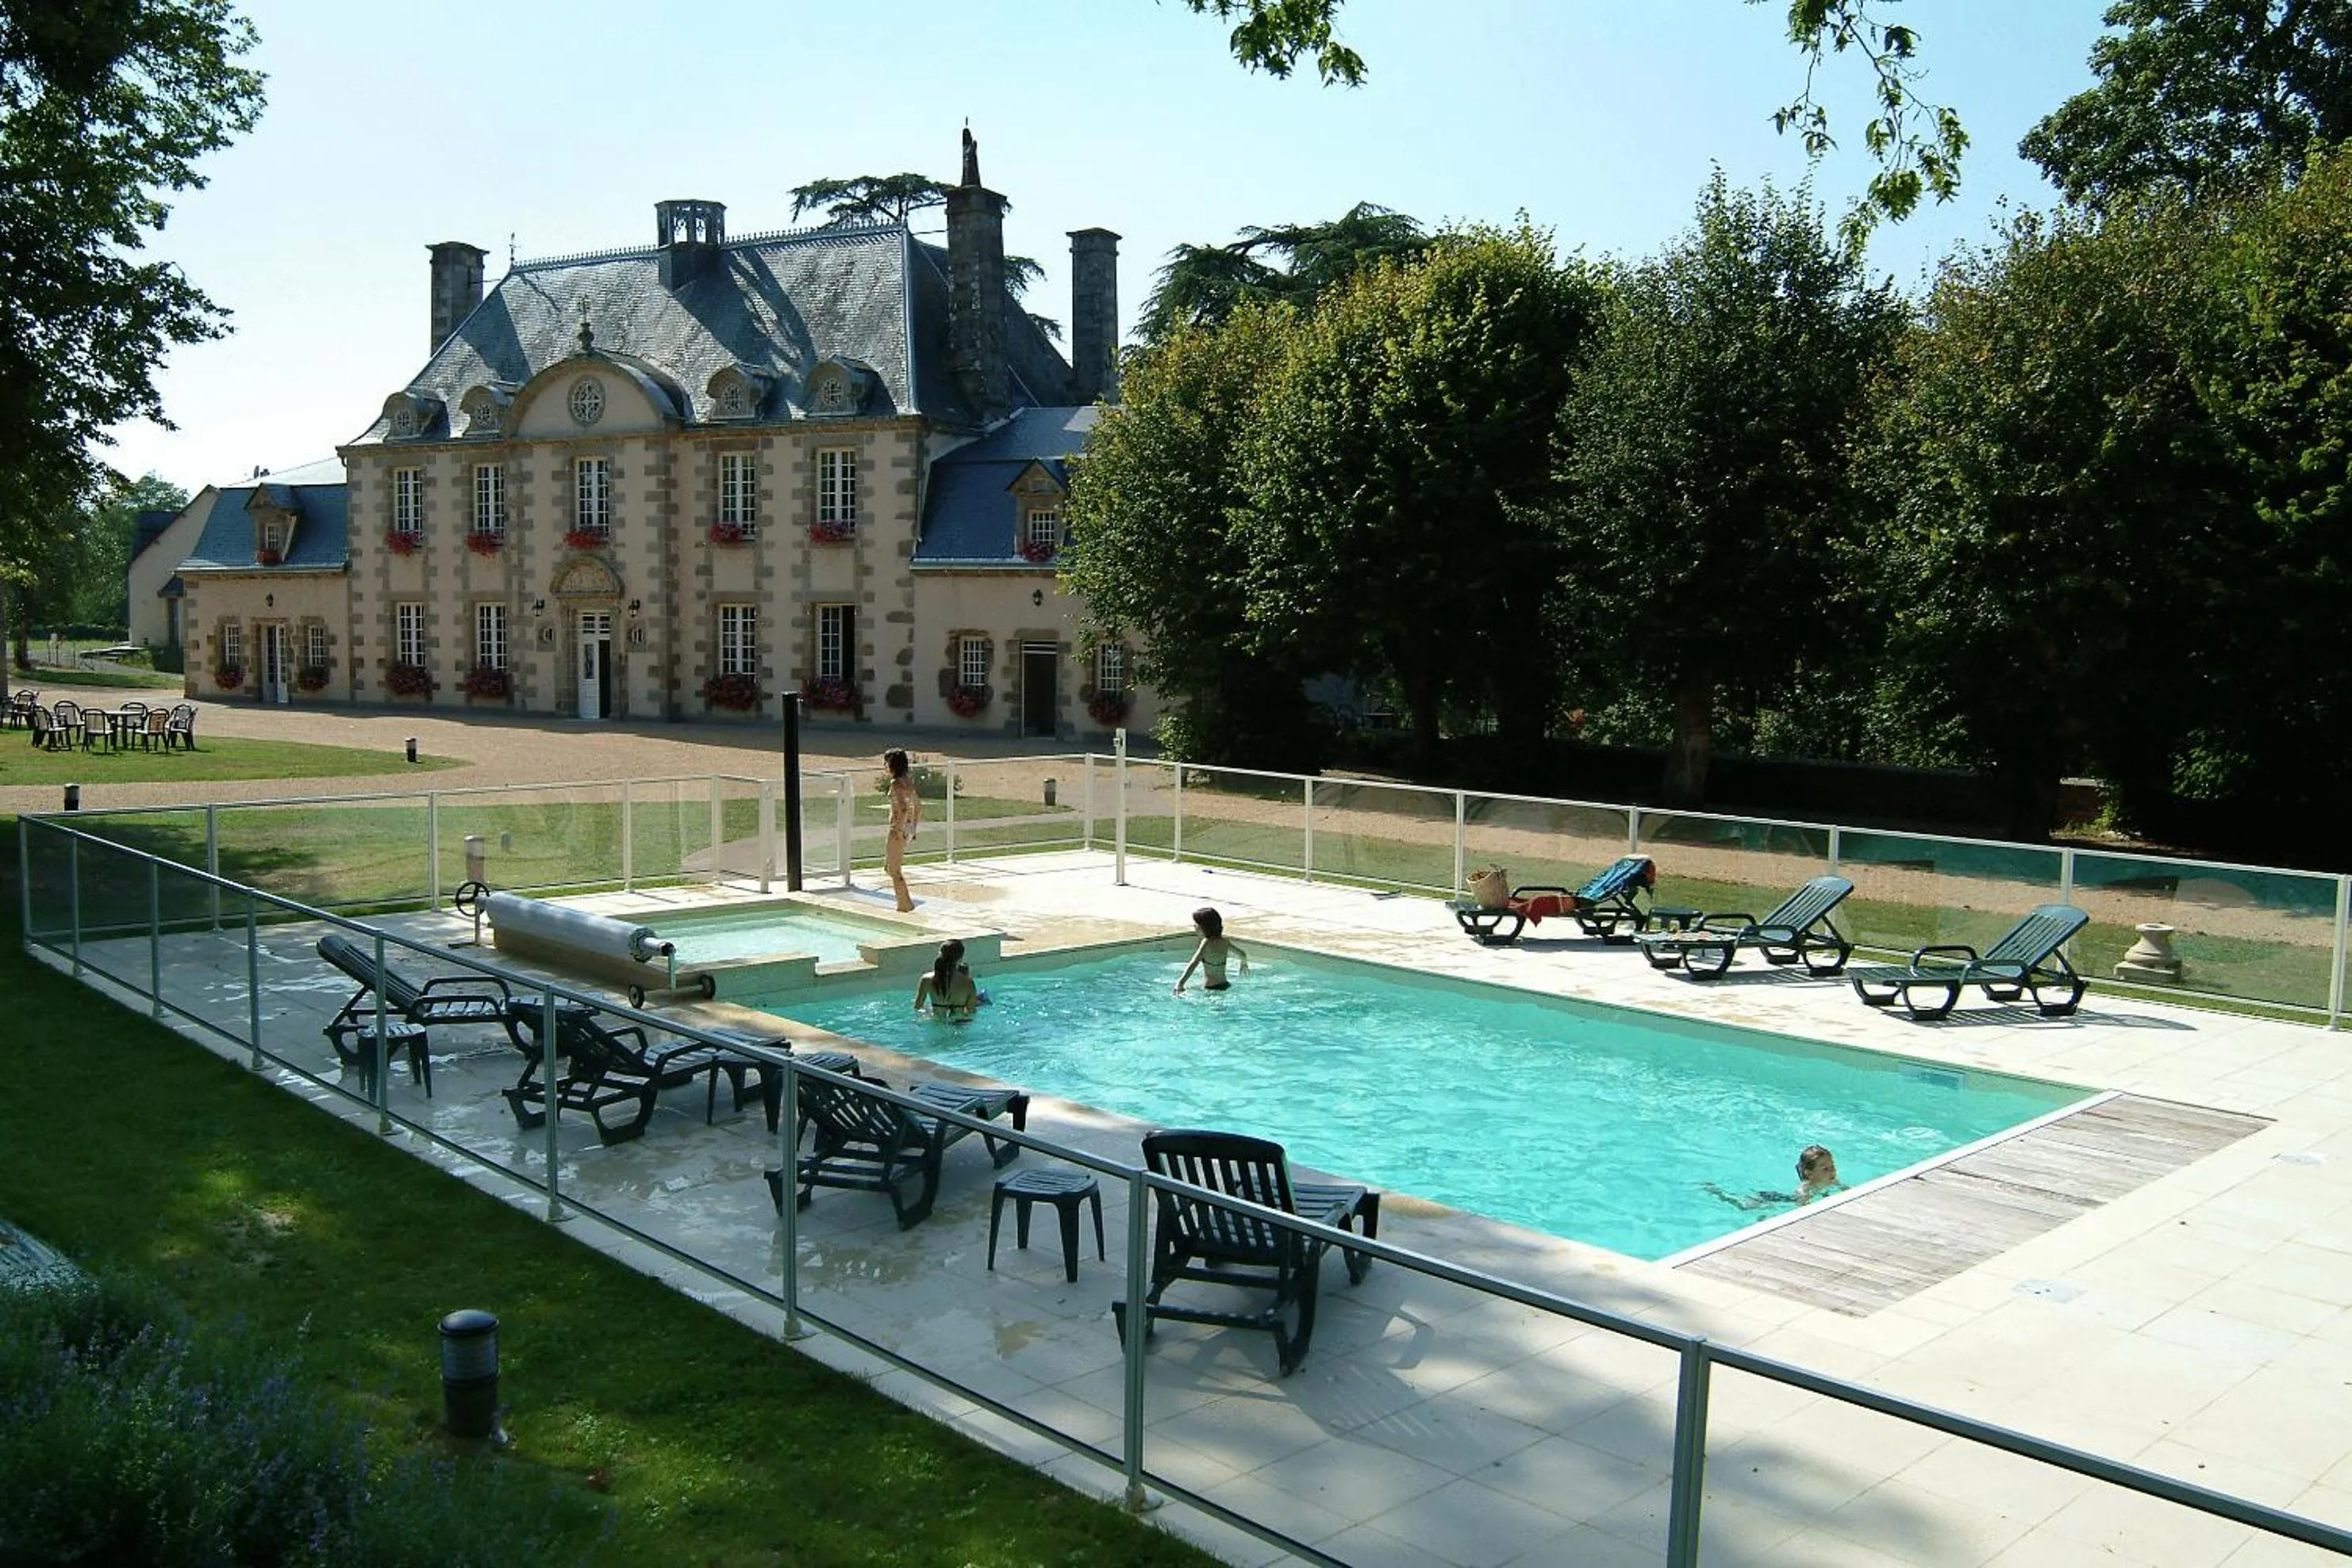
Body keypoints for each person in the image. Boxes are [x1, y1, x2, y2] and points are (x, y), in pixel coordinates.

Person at [1704, 1146, 1844, 1212]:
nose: (1832, 1171)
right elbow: (1801, 1207)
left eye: (1832, 1166)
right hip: (1770, 1198)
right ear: (1810, 1173)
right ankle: (1720, 1193)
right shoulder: (1805, 1187)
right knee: (1743, 1207)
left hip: (1776, 1199)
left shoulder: (1833, 1181)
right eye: (1825, 1169)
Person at [1174, 907, 1249, 993]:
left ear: (1204, 927)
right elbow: (1242, 954)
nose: (1194, 926)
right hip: (1225, 984)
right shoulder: (1224, 941)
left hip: (1211, 988)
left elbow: (1193, 963)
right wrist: (1244, 964)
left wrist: (1180, 983)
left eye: (1196, 924)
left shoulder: (1206, 943)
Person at [882, 747, 920, 912]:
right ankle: (904, 902)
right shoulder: (908, 782)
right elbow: (918, 806)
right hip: (907, 828)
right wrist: (913, 827)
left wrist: (898, 829)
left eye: (886, 763)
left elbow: (904, 808)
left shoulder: (896, 783)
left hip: (898, 829)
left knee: (894, 870)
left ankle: (905, 904)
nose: (885, 766)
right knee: (889, 867)